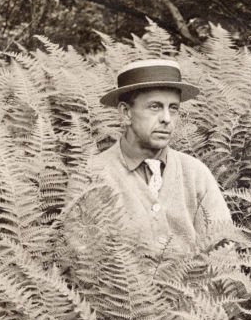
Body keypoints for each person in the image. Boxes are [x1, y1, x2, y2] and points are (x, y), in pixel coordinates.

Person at [67, 59, 233, 259]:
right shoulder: (90, 177)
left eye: (173, 108)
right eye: (154, 107)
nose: (166, 118)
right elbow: (80, 264)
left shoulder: (196, 174)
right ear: (125, 112)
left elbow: (223, 254)